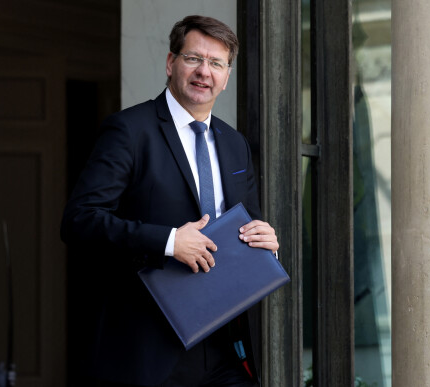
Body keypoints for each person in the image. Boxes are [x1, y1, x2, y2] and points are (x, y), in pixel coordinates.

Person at [60, 15, 278, 387]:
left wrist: (264, 243)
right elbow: (79, 220)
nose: (203, 72)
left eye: (216, 63)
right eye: (193, 58)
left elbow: (247, 223)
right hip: (151, 350)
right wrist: (169, 241)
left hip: (227, 347)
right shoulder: (129, 130)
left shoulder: (234, 143)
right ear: (170, 63)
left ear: (227, 77)